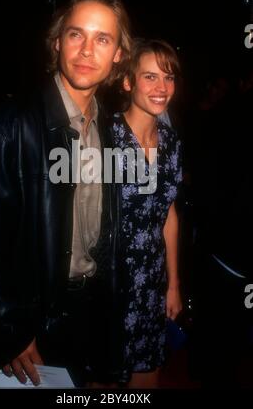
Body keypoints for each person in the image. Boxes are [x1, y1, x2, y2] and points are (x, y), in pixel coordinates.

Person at [0, 0, 131, 387]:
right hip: (32, 321)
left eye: (102, 39)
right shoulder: (10, 126)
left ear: (117, 54)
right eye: (76, 34)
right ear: (58, 40)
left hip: (90, 313)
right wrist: (11, 328)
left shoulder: (111, 129)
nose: (86, 50)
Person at [112, 38, 183, 388]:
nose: (161, 88)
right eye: (150, 77)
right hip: (110, 286)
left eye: (168, 78)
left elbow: (168, 213)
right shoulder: (104, 137)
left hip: (152, 286)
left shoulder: (171, 143)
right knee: (103, 383)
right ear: (128, 82)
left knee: (147, 380)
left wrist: (174, 284)